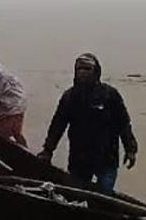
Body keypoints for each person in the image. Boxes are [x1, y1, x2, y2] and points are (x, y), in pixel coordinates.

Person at [37, 53, 138, 193]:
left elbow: (124, 124)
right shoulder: (69, 97)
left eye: (87, 69)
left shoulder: (110, 95)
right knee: (76, 197)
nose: (82, 73)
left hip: (106, 158)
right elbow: (57, 126)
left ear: (96, 72)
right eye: (79, 69)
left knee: (104, 198)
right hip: (79, 158)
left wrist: (131, 149)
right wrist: (48, 150)